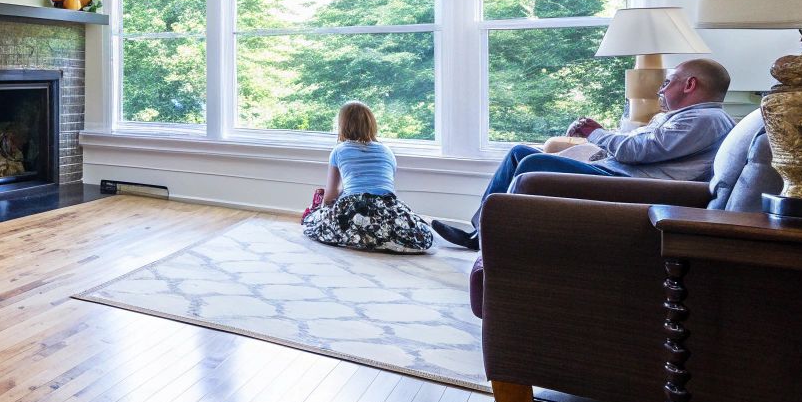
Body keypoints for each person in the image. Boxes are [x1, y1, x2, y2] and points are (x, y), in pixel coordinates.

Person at [431, 57, 735, 250]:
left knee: (534, 162)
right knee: (518, 152)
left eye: (668, 82)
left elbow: (637, 151)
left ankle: (497, 240)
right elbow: (638, 144)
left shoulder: (705, 119)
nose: (661, 90)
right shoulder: (684, 118)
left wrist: (595, 132)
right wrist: (599, 139)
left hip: (628, 182)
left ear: (690, 84)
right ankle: (481, 233)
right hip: (618, 172)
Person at [302, 101, 434, 254]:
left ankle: (361, 237)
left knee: (311, 223)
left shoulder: (339, 151)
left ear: (343, 125)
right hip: (387, 205)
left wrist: (324, 209)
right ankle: (383, 238)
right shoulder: (387, 151)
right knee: (421, 235)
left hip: (353, 206)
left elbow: (330, 195)